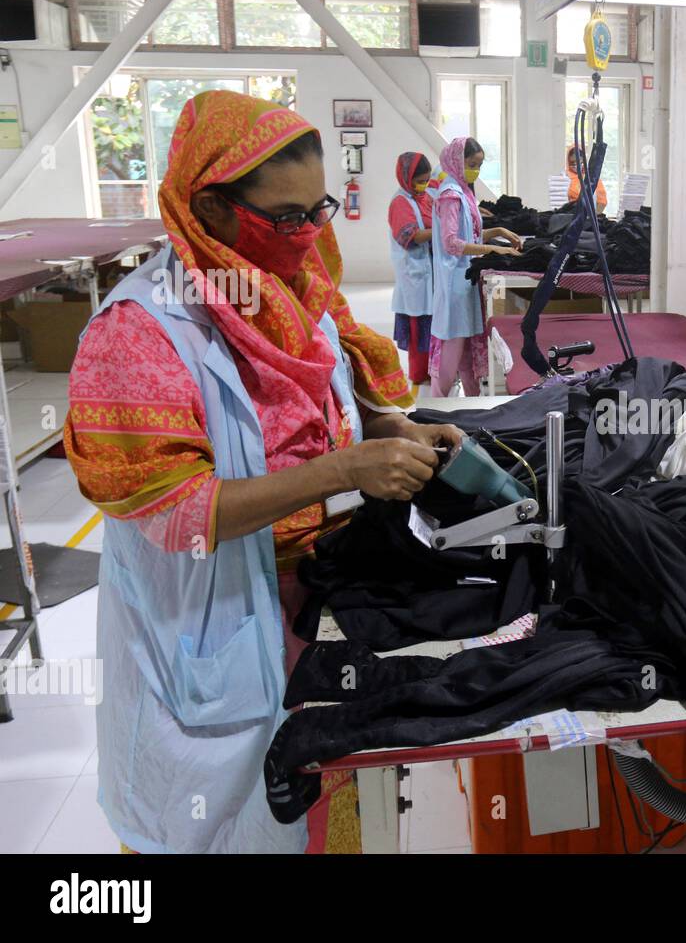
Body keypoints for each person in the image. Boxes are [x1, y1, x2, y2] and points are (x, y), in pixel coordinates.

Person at [63, 90, 463, 854]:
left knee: (324, 806)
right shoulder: (139, 334)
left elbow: (337, 396)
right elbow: (181, 514)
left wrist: (398, 430)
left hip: (318, 597)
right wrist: (341, 471)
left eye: (321, 210)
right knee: (211, 825)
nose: (310, 233)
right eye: (286, 217)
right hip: (210, 619)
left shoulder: (296, 287)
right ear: (209, 206)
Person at [429, 136, 522, 397]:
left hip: (466, 280)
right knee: (452, 349)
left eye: (480, 165)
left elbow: (472, 235)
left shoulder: (464, 192)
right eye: (472, 164)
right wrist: (493, 249)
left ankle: (472, 404)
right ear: (457, 162)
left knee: (468, 352)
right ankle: (436, 406)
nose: (476, 171)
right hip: (454, 282)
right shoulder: (450, 196)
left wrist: (500, 232)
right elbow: (451, 243)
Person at [388, 151, 437, 386]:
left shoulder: (426, 197)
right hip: (415, 273)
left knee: (432, 324)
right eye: (419, 180)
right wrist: (443, 232)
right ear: (406, 177)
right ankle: (419, 374)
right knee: (419, 327)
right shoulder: (400, 203)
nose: (423, 184)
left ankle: (434, 369)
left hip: (431, 271)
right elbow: (410, 236)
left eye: (426, 179)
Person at [566, 144, 607, 214]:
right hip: (570, 217)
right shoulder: (566, 178)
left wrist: (593, 217)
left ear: (584, 161)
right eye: (573, 163)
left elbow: (602, 201)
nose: (576, 165)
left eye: (579, 162)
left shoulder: (591, 178)